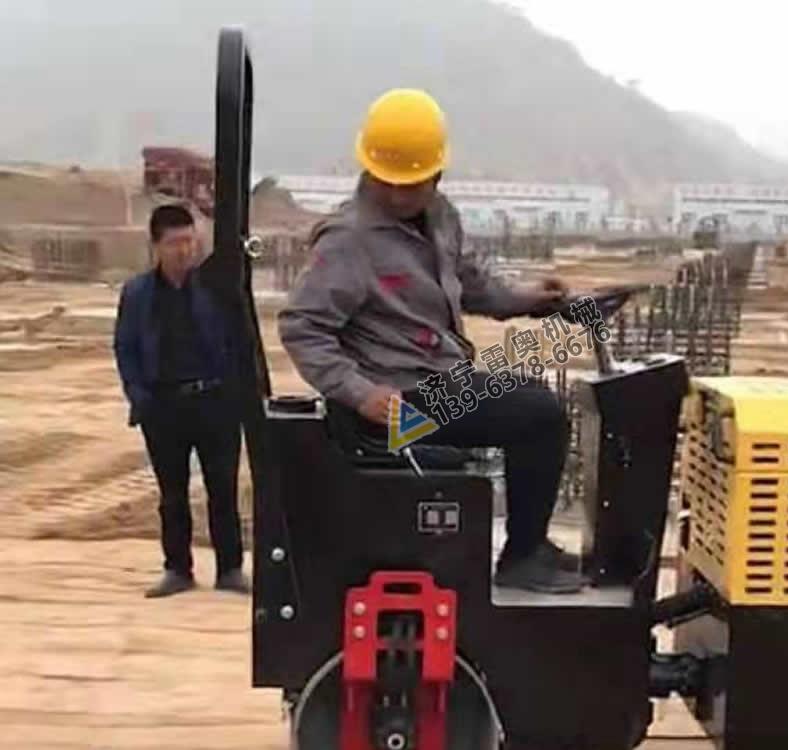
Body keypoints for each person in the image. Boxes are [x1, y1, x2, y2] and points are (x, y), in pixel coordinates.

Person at [278, 89, 587, 594]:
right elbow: (302, 327)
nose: (399, 196)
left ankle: (530, 543)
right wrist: (363, 394)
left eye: (412, 185)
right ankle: (523, 557)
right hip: (397, 408)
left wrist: (529, 300)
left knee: (533, 399)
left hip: (436, 382)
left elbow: (470, 284)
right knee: (540, 416)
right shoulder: (349, 240)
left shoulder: (440, 217)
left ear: (437, 174)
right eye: (389, 183)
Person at [113, 203, 250, 598]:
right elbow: (125, 347)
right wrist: (139, 396)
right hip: (163, 406)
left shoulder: (216, 287)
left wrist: (239, 395)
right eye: (175, 243)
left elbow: (241, 342)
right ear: (156, 246)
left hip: (215, 402)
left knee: (222, 489)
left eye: (190, 241)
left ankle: (230, 569)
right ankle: (177, 569)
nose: (185, 250)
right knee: (172, 494)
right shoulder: (137, 293)